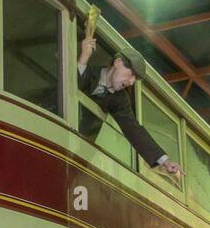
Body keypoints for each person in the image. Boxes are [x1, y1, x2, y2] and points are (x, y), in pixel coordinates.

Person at [77, 27, 184, 177]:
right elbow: (71, 84)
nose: (132, 82)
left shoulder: (120, 100)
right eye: (132, 74)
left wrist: (165, 161)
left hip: (79, 148)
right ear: (118, 62)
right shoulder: (88, 72)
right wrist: (84, 58)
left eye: (135, 79)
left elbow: (133, 129)